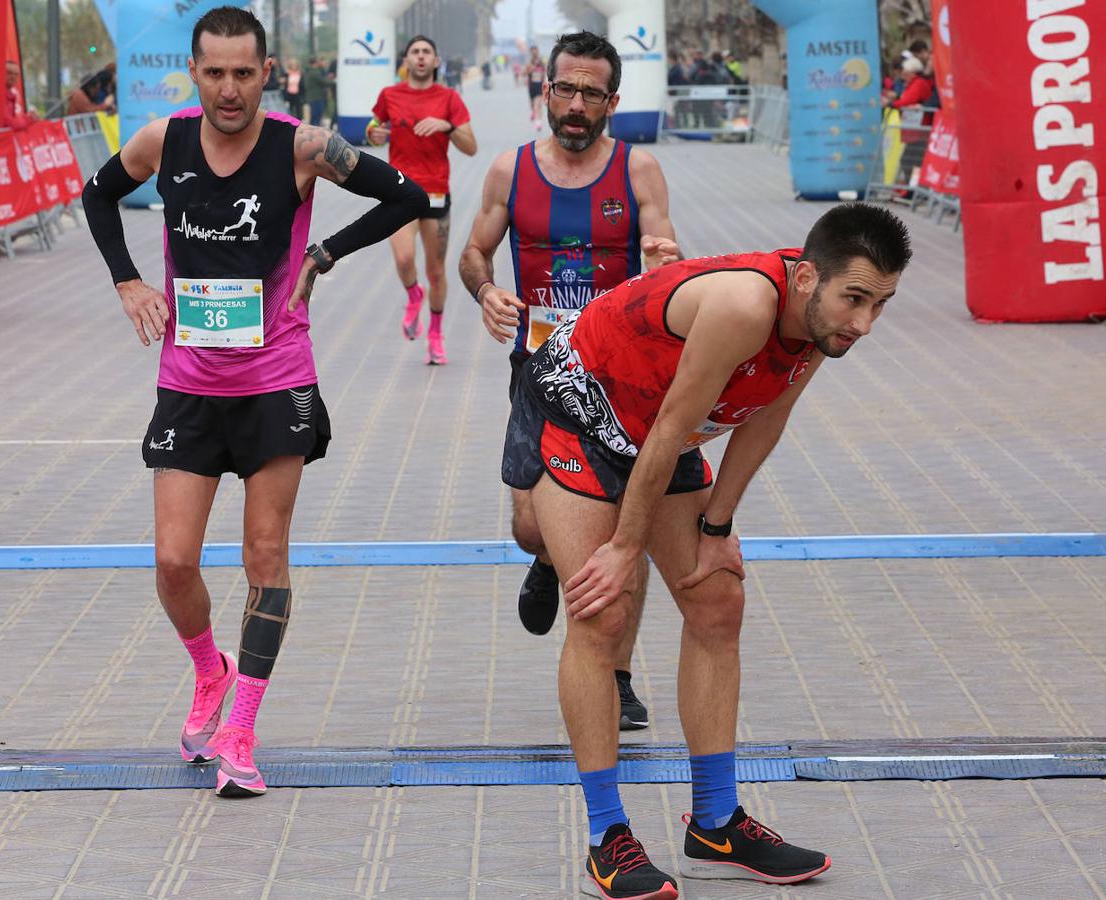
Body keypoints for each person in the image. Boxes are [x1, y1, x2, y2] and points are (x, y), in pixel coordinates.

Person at [501, 203, 912, 895]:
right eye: (855, 299)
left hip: (661, 429)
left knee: (718, 601)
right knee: (602, 610)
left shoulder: (821, 326)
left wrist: (716, 531)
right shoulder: (746, 305)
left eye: (881, 305)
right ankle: (608, 835)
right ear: (808, 277)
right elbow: (666, 433)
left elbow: (764, 420)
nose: (864, 323)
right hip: (578, 405)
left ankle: (716, 822)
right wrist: (626, 547)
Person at [81, 6, 426, 799]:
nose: (229, 90)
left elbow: (408, 196)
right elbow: (98, 200)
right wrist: (127, 280)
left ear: (266, 73)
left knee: (264, 558)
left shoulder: (302, 146)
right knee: (173, 563)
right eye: (215, 73)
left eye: (244, 73)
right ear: (193, 73)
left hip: (277, 383)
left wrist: (327, 252)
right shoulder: (159, 143)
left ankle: (241, 728)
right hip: (189, 386)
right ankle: (211, 672)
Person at [459, 32, 682, 732]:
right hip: (538, 371)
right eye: (566, 89)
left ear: (613, 101)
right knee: (531, 526)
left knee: (627, 526)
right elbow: (473, 253)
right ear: (545, 91)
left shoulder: (638, 172)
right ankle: (551, 560)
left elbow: (668, 258)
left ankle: (616, 673)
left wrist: (663, 261)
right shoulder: (509, 171)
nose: (577, 105)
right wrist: (487, 291)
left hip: (620, 379)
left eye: (592, 93)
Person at [367, 35, 477, 365]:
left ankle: (436, 334)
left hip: (435, 191)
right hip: (398, 190)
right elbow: (374, 127)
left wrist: (447, 126)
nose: (420, 57)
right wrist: (373, 133)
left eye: (426, 52)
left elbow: (471, 146)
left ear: (436, 60)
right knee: (403, 260)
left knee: (437, 271)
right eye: (414, 52)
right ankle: (414, 295)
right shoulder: (390, 95)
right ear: (406, 60)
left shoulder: (449, 98)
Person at [3, 60, 37, 130]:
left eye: (16, 74)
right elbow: (9, 124)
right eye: (9, 73)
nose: (13, 77)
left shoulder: (12, 95)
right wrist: (29, 118)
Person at [303, 56, 331, 125]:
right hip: (317, 97)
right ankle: (314, 131)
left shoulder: (308, 71)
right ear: (315, 63)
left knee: (314, 116)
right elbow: (324, 81)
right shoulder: (314, 73)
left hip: (311, 97)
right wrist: (336, 82)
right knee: (316, 116)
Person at [525, 45, 546, 131]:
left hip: (539, 84)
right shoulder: (529, 62)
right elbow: (526, 72)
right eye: (533, 51)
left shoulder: (542, 61)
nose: (534, 52)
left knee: (538, 105)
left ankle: (538, 123)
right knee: (532, 104)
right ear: (531, 52)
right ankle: (533, 112)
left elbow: (544, 73)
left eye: (536, 50)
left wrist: (544, 83)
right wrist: (534, 66)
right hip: (532, 85)